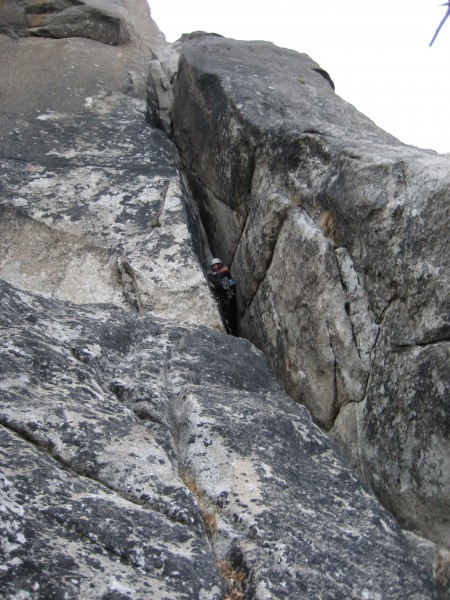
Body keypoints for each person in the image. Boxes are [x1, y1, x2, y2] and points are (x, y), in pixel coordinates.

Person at [207, 257, 237, 335]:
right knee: (227, 317)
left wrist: (214, 274)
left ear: (220, 264)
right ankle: (232, 333)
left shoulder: (223, 271)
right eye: (213, 266)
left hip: (228, 292)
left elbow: (226, 268)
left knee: (210, 277)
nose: (214, 267)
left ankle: (234, 333)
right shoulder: (217, 276)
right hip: (225, 297)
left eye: (215, 265)